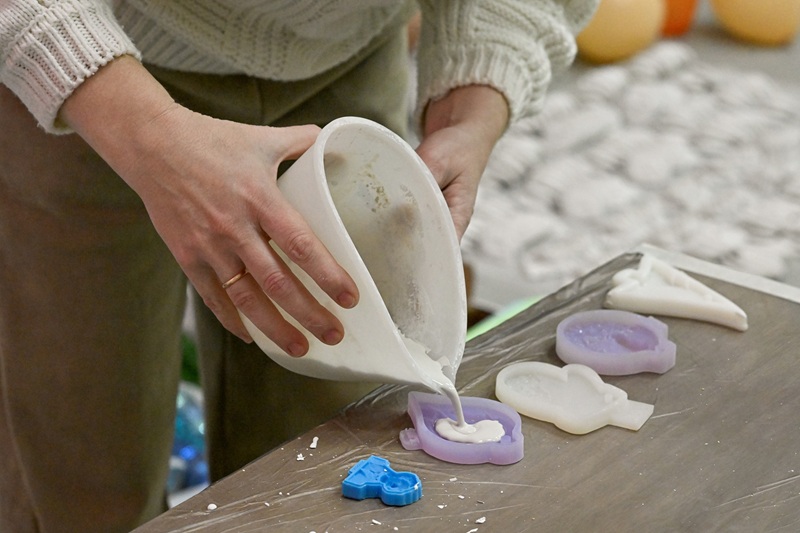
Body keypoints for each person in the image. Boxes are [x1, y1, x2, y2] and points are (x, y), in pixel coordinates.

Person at [0, 1, 598, 531]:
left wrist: (474, 105)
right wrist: (146, 132)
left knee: (322, 459)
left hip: (345, 60)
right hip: (89, 73)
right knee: (85, 472)